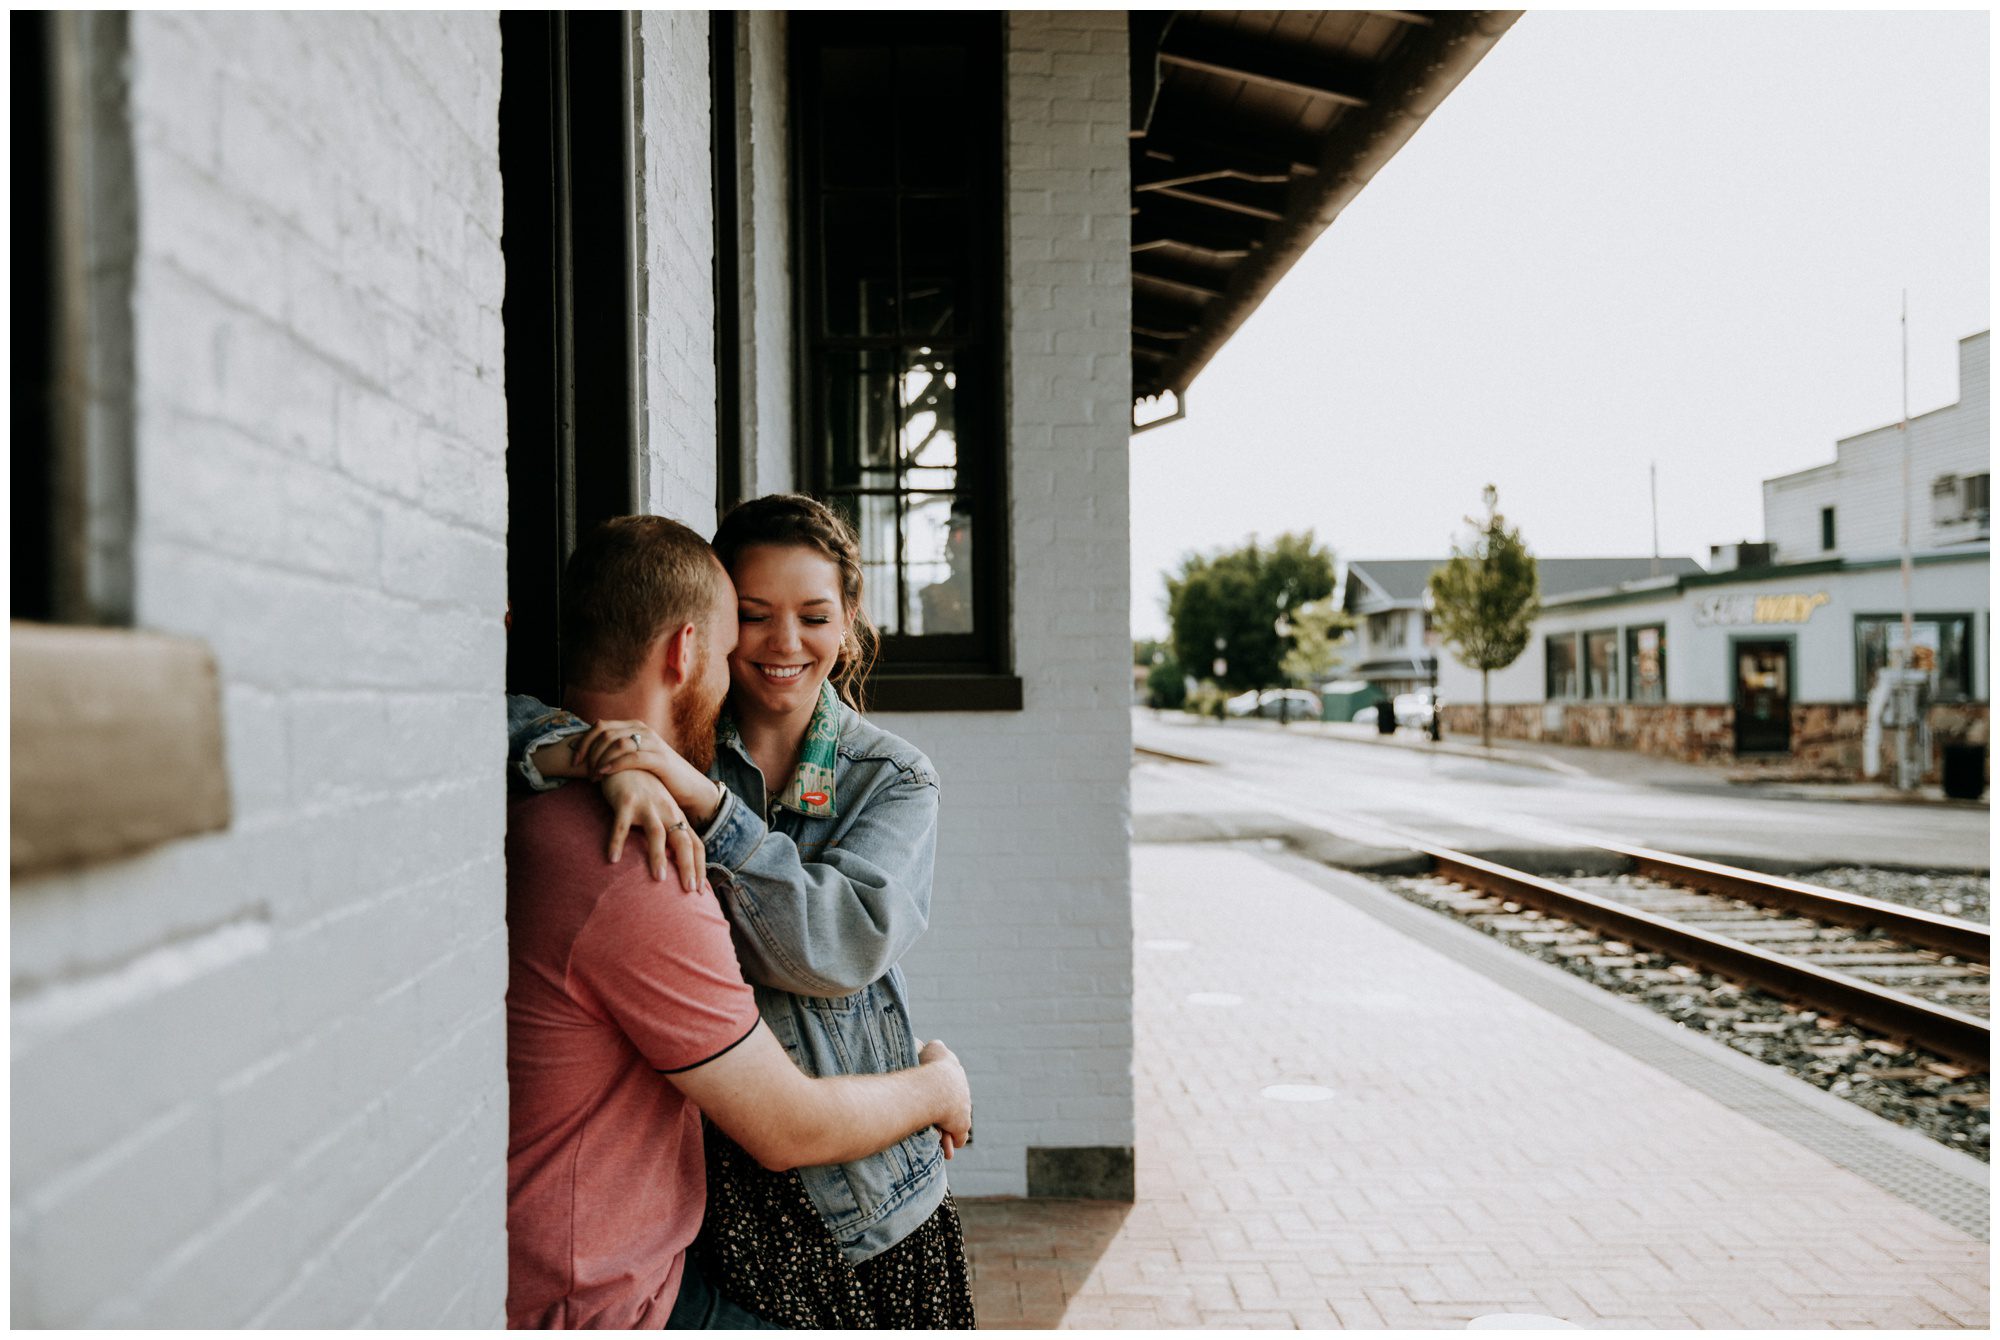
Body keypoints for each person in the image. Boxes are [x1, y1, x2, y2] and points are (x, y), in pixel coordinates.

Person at [507, 495, 976, 1328]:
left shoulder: (891, 779)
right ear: (704, 636)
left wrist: (705, 806)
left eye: (814, 615)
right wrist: (600, 755)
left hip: (858, 1195)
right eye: (752, 618)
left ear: (851, 622)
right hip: (722, 1178)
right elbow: (498, 718)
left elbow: (837, 943)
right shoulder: (682, 728)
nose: (784, 644)